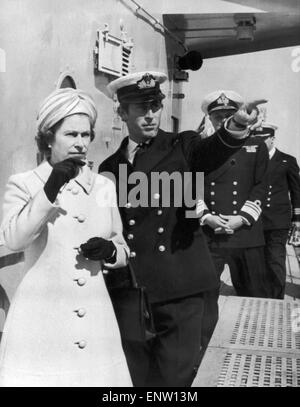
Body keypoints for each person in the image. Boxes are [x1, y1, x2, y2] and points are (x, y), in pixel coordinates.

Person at [98, 71, 264, 387]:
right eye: (140, 108)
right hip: (131, 289)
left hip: (179, 285)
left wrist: (237, 125)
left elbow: (210, 151)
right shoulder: (109, 167)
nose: (150, 115)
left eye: (155, 106)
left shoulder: (181, 146)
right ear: (122, 112)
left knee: (173, 380)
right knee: (137, 377)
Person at [0, 88, 132, 387]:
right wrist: (50, 188)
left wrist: (111, 251)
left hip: (96, 318)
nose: (81, 143)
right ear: (49, 137)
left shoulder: (103, 187)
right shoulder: (24, 184)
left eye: (86, 135)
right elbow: (15, 239)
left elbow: (123, 248)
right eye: (71, 134)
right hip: (42, 321)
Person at [199, 90, 270, 298]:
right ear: (209, 118)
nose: (222, 121)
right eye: (217, 116)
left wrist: (241, 218)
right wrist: (207, 217)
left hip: (246, 233)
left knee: (255, 297)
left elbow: (261, 186)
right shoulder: (200, 149)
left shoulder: (256, 146)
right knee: (204, 298)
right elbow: (189, 187)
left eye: (228, 115)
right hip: (210, 233)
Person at [251, 123, 300, 299]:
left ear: (272, 138)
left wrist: (297, 219)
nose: (260, 143)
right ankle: (260, 295)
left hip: (278, 220)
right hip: (254, 219)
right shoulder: (251, 160)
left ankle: (276, 298)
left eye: (263, 139)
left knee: (275, 259)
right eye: (257, 140)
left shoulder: (287, 160)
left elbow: (297, 191)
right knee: (257, 261)